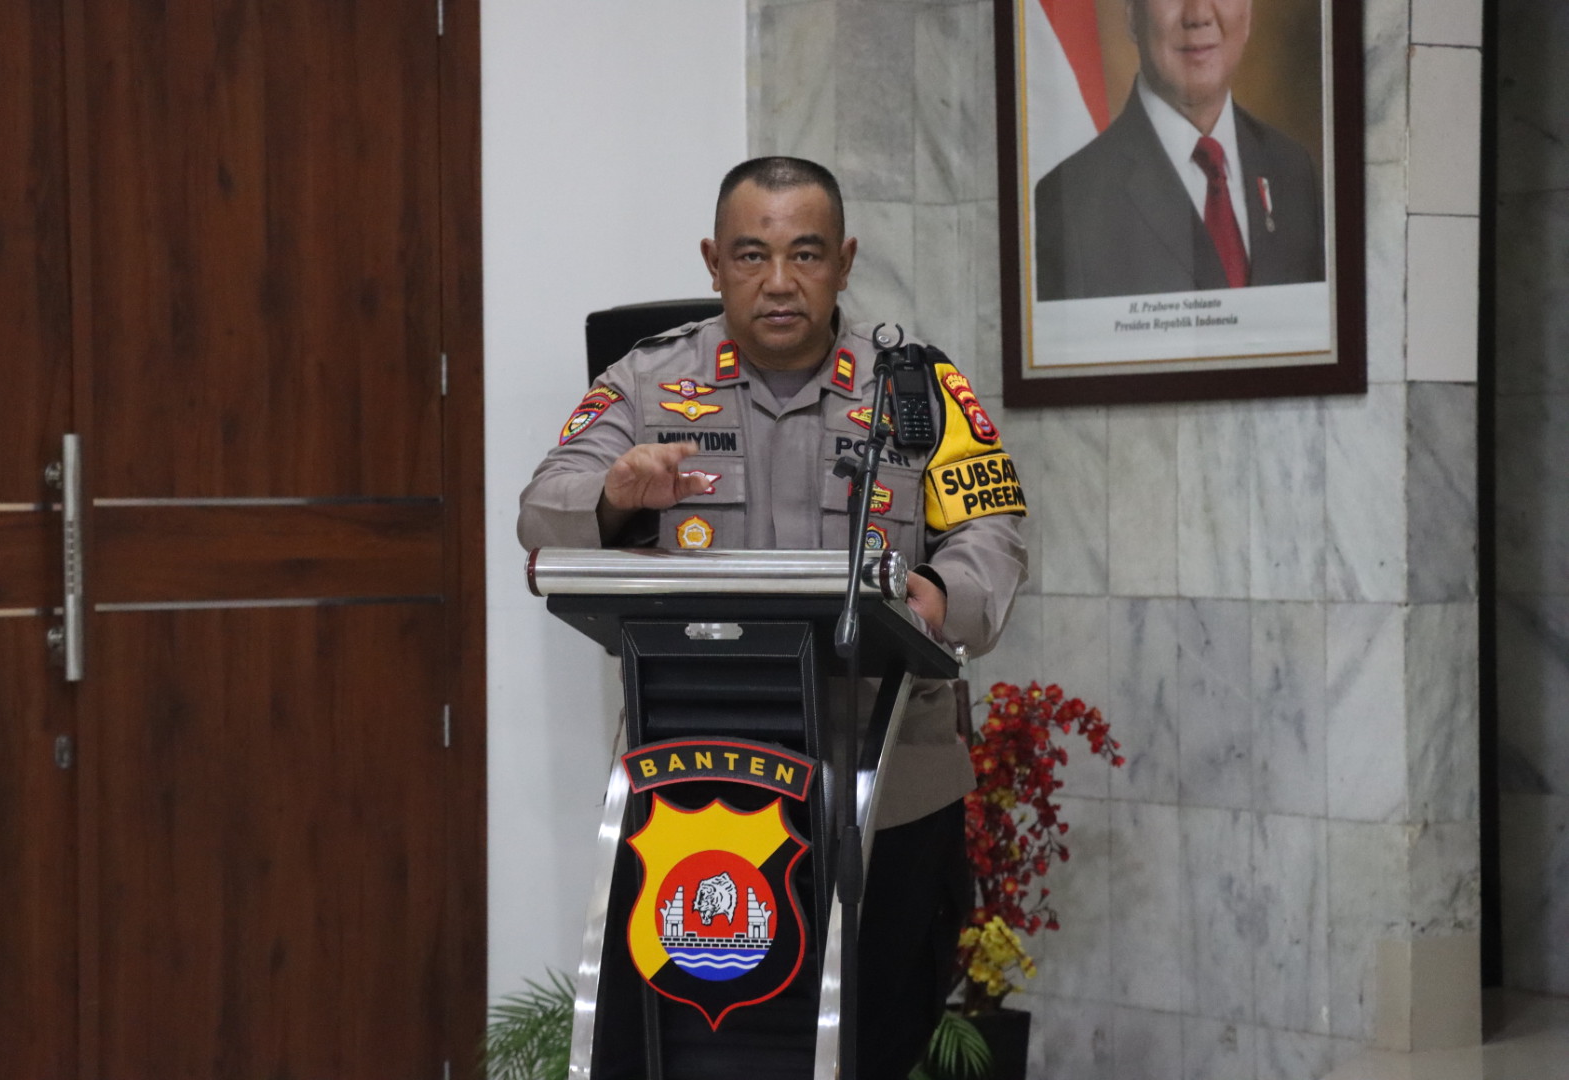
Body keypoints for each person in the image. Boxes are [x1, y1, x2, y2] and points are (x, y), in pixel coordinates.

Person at [517, 156, 1028, 1076]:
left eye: (807, 253)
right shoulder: (647, 381)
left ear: (845, 262)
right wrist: (615, 493)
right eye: (752, 255)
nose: (780, 281)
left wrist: (941, 591)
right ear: (714, 263)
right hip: (695, 790)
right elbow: (542, 508)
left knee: (867, 1052)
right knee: (689, 1054)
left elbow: (992, 529)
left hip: (888, 798)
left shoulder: (917, 389)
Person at [1034, 0, 1325, 301]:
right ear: (1132, 16)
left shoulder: (1295, 172)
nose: (1198, 15)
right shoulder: (1069, 204)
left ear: (1248, 13)